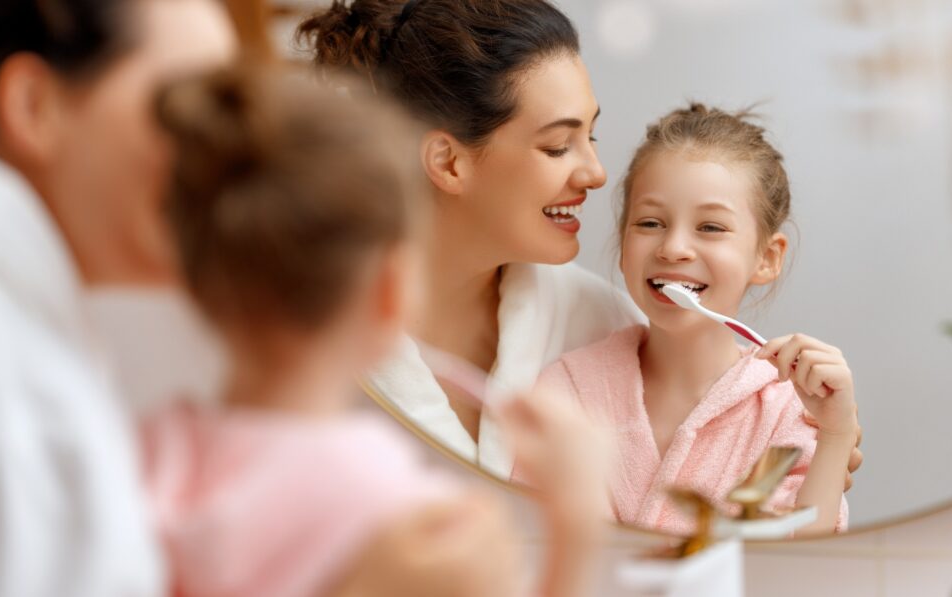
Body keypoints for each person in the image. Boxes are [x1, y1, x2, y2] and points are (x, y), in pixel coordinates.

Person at [143, 64, 612, 597]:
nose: (593, 170)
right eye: (558, 147)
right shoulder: (393, 499)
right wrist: (574, 519)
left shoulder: (154, 453)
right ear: (391, 290)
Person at [297, 0, 642, 477]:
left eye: (592, 137)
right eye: (558, 146)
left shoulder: (604, 325)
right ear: (448, 163)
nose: (596, 173)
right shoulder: (298, 336)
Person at [0, 1, 236, 594]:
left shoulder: (45, 337)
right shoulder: (17, 386)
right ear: (33, 107)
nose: (230, 158)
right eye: (191, 109)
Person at [537, 104, 856, 535]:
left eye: (710, 227)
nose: (674, 248)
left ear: (766, 257)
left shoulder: (785, 408)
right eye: (650, 222)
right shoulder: (569, 391)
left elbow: (798, 567)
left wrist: (835, 436)